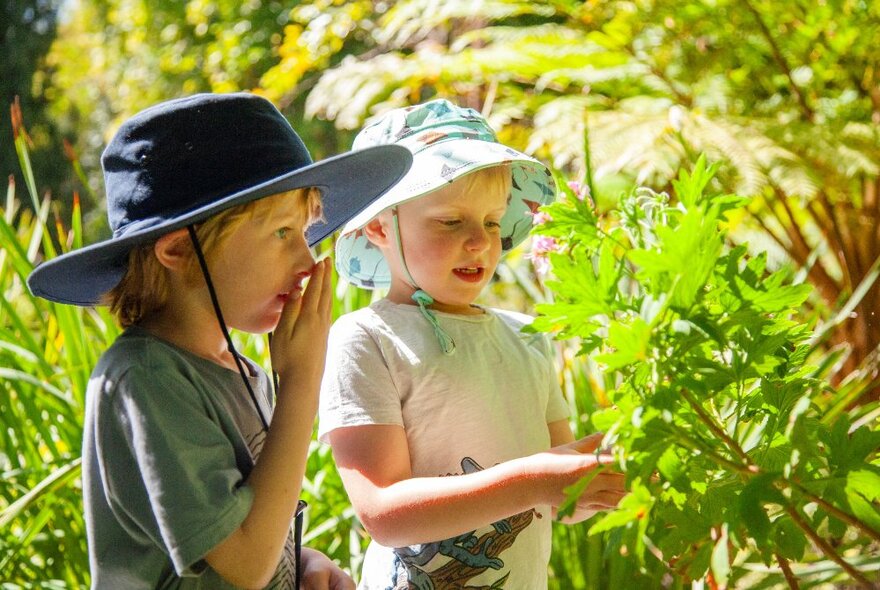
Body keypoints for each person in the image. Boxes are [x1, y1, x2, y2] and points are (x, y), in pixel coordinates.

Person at [27, 93, 412, 589]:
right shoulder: (146, 376)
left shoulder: (240, 372)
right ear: (180, 248)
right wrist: (301, 382)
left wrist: (304, 560)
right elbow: (245, 563)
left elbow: (250, 530)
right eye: (281, 233)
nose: (306, 260)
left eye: (306, 234)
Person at [318, 99, 627, 588]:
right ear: (378, 226)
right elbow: (383, 514)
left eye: (492, 221)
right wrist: (538, 478)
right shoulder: (367, 338)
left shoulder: (529, 337)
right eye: (450, 221)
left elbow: (558, 498)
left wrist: (594, 478)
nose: (481, 242)